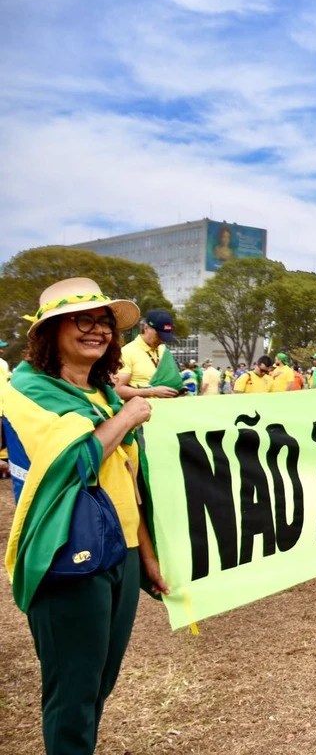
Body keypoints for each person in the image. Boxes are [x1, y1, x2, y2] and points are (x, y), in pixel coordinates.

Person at [4, 277, 169, 754]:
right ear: (50, 330)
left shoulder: (102, 393)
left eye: (103, 323)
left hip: (122, 553)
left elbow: (129, 480)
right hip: (65, 556)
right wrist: (128, 417)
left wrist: (148, 556)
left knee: (98, 684)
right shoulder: (28, 389)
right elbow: (71, 464)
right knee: (72, 693)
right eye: (83, 320)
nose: (97, 330)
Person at [113, 309, 180, 401]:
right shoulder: (127, 352)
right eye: (159, 335)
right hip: (141, 410)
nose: (162, 340)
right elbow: (117, 389)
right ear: (146, 328)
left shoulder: (163, 350)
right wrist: (152, 392)